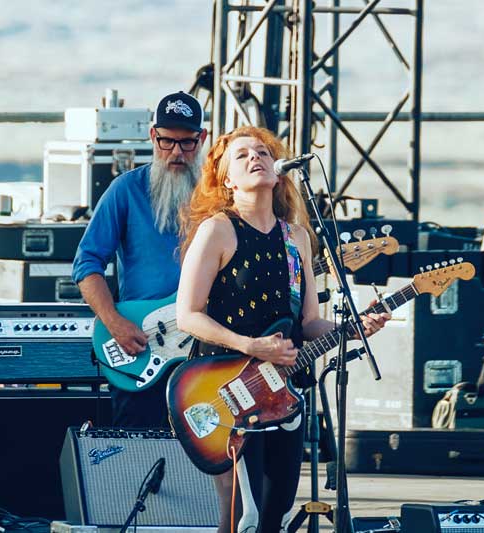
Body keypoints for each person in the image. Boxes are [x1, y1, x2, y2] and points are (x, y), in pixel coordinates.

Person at [175, 126, 389, 533]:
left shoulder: (297, 239)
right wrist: (250, 344)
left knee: (274, 514)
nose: (255, 158)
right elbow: (188, 314)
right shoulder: (218, 230)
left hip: (283, 393)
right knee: (244, 519)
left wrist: (356, 328)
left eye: (262, 152)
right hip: (228, 390)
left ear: (279, 170)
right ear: (225, 178)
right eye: (241, 156)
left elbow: (308, 323)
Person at [73, 91, 207, 429]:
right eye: (167, 142)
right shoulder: (125, 190)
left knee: (204, 456)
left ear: (202, 139)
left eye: (187, 143)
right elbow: (86, 264)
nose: (176, 152)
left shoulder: (218, 196)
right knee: (136, 453)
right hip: (144, 345)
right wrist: (114, 322)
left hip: (206, 350)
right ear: (152, 136)